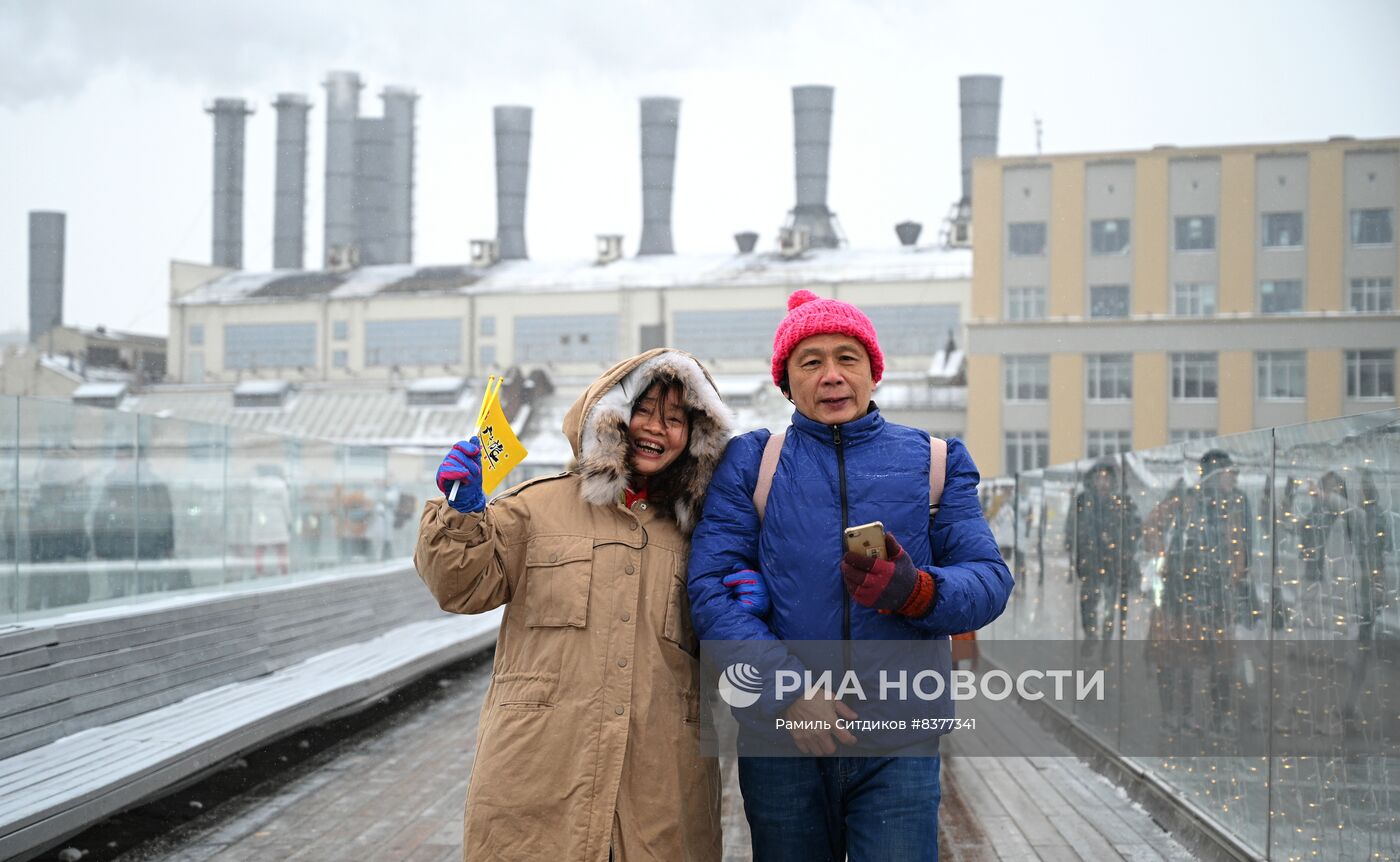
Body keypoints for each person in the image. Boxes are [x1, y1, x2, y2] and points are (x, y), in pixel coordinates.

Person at [686, 290, 1014, 861]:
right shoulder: (753, 461)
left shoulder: (936, 461)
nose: (832, 375)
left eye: (848, 358)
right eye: (811, 362)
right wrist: (788, 693)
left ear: (872, 372)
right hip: (782, 740)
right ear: (786, 381)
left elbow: (988, 580)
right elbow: (712, 589)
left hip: (900, 741)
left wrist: (918, 592)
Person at [415, 348, 730, 861]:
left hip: (660, 786)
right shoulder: (536, 507)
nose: (657, 428)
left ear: (696, 438)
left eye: (676, 419)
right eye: (644, 410)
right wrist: (461, 512)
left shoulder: (706, 533)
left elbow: (729, 658)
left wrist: (746, 604)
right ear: (610, 417)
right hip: (540, 772)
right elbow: (460, 587)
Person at [1065, 459, 1141, 640]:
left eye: (1107, 479)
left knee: (1111, 604)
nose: (1103, 483)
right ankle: (1090, 634)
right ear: (1093, 479)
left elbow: (1135, 527)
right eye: (1099, 478)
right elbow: (1071, 528)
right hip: (1089, 561)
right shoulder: (1083, 500)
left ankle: (1107, 638)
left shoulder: (1123, 501)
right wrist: (1076, 549)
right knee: (1088, 601)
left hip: (1114, 562)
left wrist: (1117, 540)